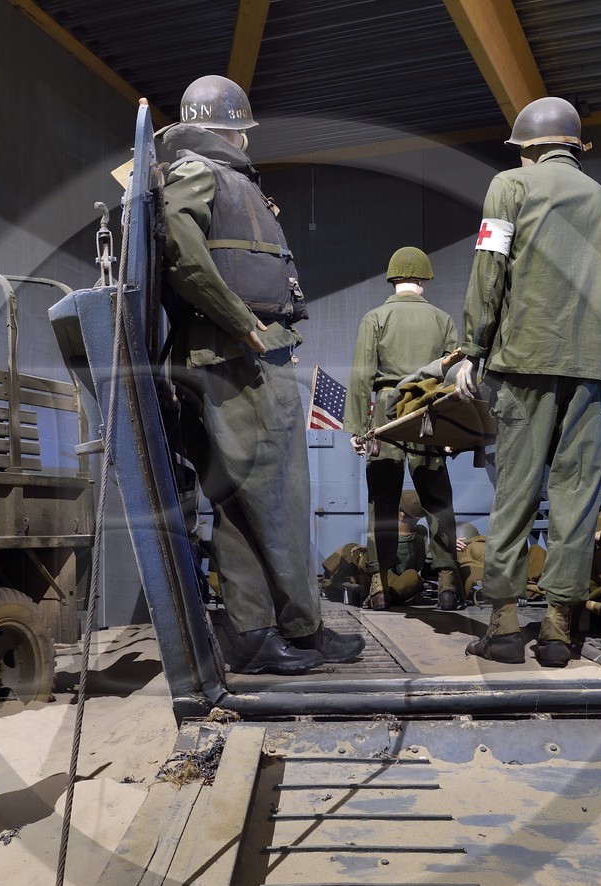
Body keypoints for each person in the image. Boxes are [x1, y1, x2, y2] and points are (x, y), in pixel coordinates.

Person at [155, 74, 363, 674]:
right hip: (236, 358)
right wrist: (242, 320)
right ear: (231, 131)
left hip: (244, 355)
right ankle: (282, 628)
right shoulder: (201, 172)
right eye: (243, 133)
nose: (247, 143)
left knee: (251, 503)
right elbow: (180, 246)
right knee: (276, 500)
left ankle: (282, 628)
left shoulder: (218, 178)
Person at [460, 96, 601, 668]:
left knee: (516, 490)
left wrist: (472, 347)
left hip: (526, 359)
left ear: (528, 149)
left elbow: (490, 271)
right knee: (577, 496)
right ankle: (560, 629)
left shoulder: (510, 187)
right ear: (574, 148)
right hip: (598, 369)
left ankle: (506, 626)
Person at [345, 247, 463, 611]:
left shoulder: (374, 319)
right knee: (437, 498)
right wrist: (453, 432)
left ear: (393, 278)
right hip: (428, 411)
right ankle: (446, 581)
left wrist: (357, 427)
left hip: (386, 413)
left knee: (381, 500)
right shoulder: (443, 320)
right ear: (424, 280)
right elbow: (456, 377)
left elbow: (361, 376)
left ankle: (378, 585)